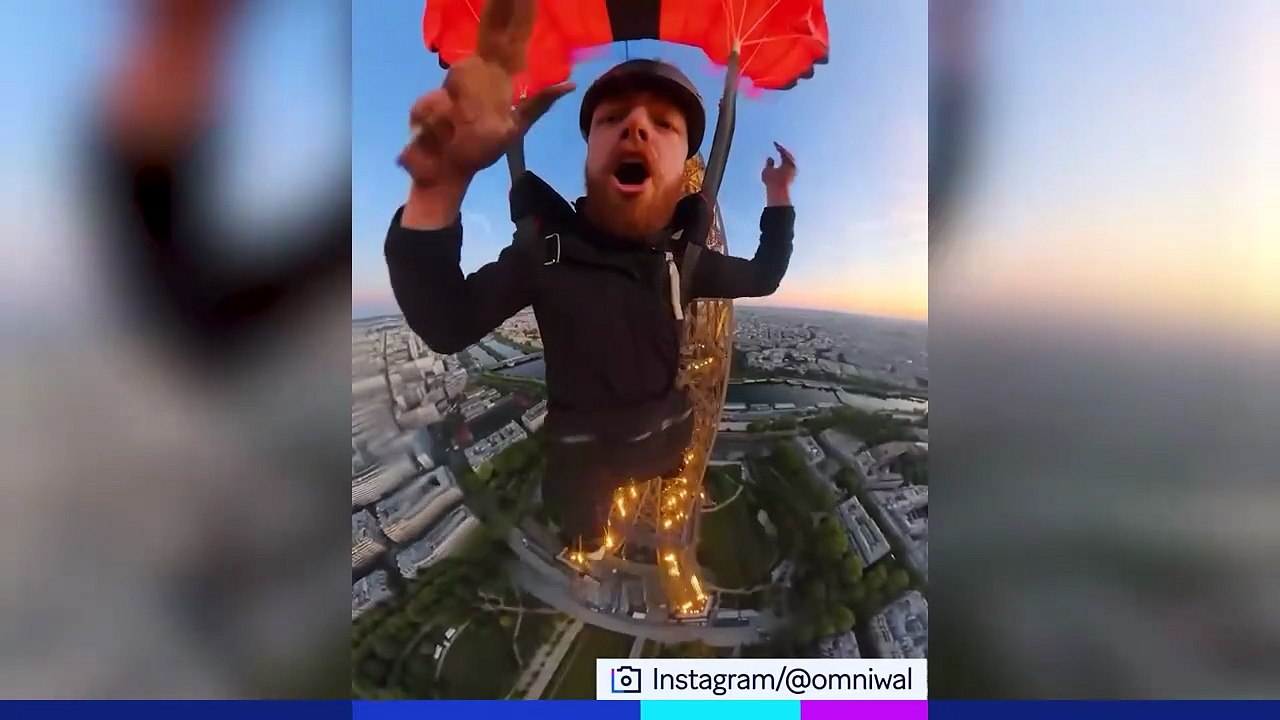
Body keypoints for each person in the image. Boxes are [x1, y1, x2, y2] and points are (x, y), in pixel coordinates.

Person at [386, 0, 797, 548]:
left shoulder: (685, 260)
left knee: (643, 473)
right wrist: (440, 187)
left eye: (664, 124)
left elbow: (765, 275)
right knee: (581, 528)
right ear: (589, 151)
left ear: (686, 171)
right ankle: (586, 536)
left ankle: (617, 510)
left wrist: (778, 196)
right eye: (612, 118)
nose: (636, 127)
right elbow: (445, 321)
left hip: (653, 440)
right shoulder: (547, 254)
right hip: (586, 460)